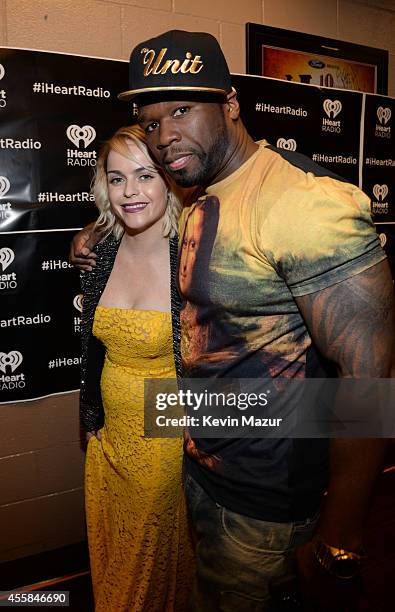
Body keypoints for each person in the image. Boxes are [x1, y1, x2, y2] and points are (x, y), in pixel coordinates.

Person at [72, 31, 395, 612]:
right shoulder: (199, 188)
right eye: (150, 121)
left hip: (260, 510)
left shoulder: (303, 206)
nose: (164, 136)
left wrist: (338, 543)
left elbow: (368, 383)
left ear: (229, 105)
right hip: (200, 477)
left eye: (181, 109)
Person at [79, 124, 194, 612]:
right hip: (106, 440)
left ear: (169, 178)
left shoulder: (190, 251)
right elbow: (93, 351)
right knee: (113, 559)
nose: (129, 192)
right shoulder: (101, 250)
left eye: (144, 176)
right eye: (117, 178)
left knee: (144, 575)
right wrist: (91, 422)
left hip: (165, 436)